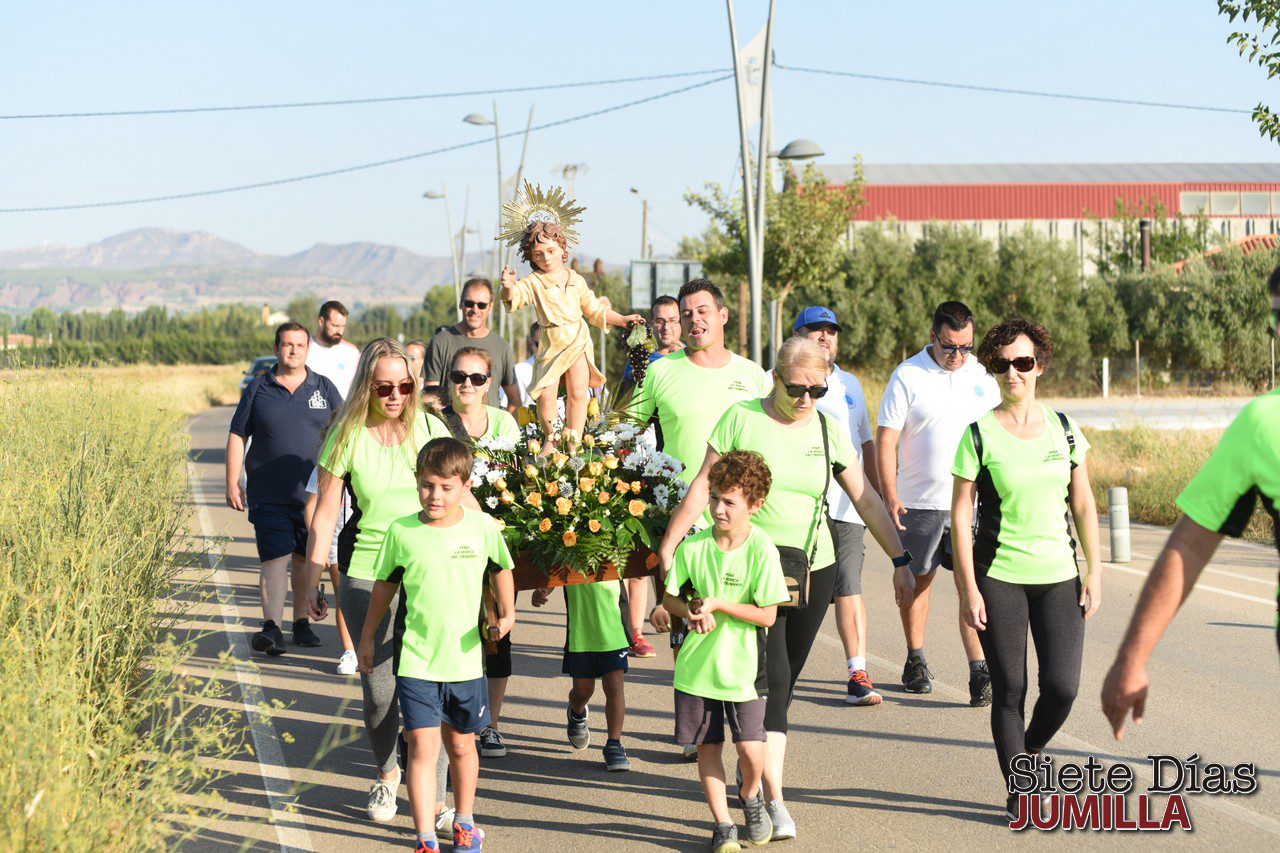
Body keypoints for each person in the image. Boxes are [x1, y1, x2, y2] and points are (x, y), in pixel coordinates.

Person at [660, 336, 911, 841]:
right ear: (775, 378)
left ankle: (753, 769)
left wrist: (900, 559)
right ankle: (772, 798)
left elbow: (864, 500)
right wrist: (671, 541)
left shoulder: (827, 427)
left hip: (812, 569)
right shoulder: (742, 417)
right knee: (770, 681)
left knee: (786, 680)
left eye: (817, 389)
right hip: (752, 569)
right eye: (796, 388)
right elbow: (706, 485)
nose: (805, 399)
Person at [1102, 265, 1280, 739]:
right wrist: (1131, 658)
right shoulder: (1263, 424)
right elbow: (1191, 545)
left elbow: (1191, 546)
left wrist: (1131, 659)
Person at [950, 318, 1102, 820]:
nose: (1013, 373)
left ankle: (1026, 757)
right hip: (1000, 576)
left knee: (1062, 688)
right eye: (1002, 364)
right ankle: (1021, 788)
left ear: (1040, 366)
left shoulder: (1065, 428)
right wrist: (968, 588)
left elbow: (1083, 504)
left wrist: (1094, 569)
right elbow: (960, 514)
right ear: (992, 367)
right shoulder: (978, 435)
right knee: (1010, 689)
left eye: (1023, 362)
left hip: (1059, 575)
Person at [304, 338, 453, 823]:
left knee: (433, 686)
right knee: (381, 692)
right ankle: (387, 774)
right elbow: (326, 513)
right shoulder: (346, 434)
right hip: (367, 574)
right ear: (367, 385)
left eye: (404, 385)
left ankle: (438, 800)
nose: (395, 395)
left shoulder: (430, 427)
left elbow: (460, 499)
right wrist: (311, 580)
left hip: (429, 573)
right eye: (384, 386)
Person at [360, 437, 516, 852]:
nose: (436, 495)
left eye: (447, 487)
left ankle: (465, 823)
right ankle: (425, 837)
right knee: (423, 748)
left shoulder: (482, 528)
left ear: (465, 486)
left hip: (466, 663)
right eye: (428, 485)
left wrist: (509, 612)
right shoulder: (402, 532)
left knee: (462, 745)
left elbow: (502, 568)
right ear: (417, 482)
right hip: (417, 663)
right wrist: (368, 637)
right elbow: (383, 588)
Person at [634, 279, 771, 671]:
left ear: (723, 315)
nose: (695, 321)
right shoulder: (660, 373)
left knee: (739, 625)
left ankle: (740, 710)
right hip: (685, 522)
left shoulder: (754, 377)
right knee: (691, 628)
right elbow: (628, 435)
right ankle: (694, 724)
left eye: (703, 311)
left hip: (745, 523)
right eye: (687, 314)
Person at [663, 451, 789, 853]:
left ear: (755, 505)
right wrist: (690, 610)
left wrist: (718, 604)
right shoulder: (694, 546)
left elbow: (767, 615)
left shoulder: (763, 549)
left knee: (752, 751)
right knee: (709, 747)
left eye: (729, 501)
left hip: (744, 671)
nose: (718, 508)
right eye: (715, 497)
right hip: (697, 670)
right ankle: (722, 825)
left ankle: (750, 797)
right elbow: (670, 598)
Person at [876, 300, 999, 703]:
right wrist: (890, 494)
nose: (958, 356)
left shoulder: (981, 376)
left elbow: (1001, 437)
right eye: (950, 347)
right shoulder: (908, 374)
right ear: (933, 337)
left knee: (972, 585)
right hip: (918, 502)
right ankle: (915, 659)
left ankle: (979, 670)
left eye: (965, 347)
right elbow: (887, 438)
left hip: (972, 505)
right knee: (919, 582)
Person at [226, 322, 341, 655]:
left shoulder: (324, 388)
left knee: (305, 559)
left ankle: (301, 623)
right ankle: (272, 628)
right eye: (287, 345)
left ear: (308, 349)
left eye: (300, 345)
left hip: (315, 495)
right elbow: (237, 434)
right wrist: (233, 480)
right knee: (274, 559)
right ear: (276, 349)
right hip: (268, 492)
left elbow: (345, 432)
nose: (293, 350)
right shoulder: (259, 387)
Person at [433, 347, 521, 760]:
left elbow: (522, 483)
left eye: (477, 377)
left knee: (498, 635)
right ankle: (449, 722)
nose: (467, 384)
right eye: (459, 376)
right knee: (452, 633)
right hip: (449, 545)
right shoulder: (436, 424)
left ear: (490, 382)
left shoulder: (505, 424)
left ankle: (490, 726)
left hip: (497, 544)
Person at [792, 306, 881, 706]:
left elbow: (864, 442)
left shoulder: (851, 385)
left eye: (832, 332)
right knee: (789, 595)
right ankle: (771, 669)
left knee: (849, 587)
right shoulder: (775, 380)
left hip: (844, 508)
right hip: (794, 508)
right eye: (816, 331)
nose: (826, 337)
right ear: (798, 336)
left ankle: (857, 672)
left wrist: (877, 496)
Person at [500, 218, 642, 445]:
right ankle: (551, 440)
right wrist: (507, 288)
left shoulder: (575, 279)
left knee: (579, 393)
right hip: (552, 341)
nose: (546, 258)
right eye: (538, 254)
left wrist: (622, 319)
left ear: (562, 248)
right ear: (531, 257)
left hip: (578, 339)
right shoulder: (534, 281)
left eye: (550, 250)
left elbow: (595, 310)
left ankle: (574, 439)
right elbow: (515, 297)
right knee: (546, 394)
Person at [531, 575, 633, 772]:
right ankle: (577, 713)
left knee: (614, 687)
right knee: (583, 691)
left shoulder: (615, 547)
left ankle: (614, 744)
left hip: (614, 630)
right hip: (581, 632)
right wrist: (542, 590)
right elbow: (556, 570)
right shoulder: (569, 544)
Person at [424, 278, 521, 412]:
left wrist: (507, 429)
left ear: (490, 307)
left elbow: (515, 401)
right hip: (449, 429)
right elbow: (430, 397)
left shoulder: (501, 346)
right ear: (461, 304)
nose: (475, 310)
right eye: (469, 303)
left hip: (490, 431)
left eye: (482, 305)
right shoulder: (440, 342)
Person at [303, 467, 358, 675]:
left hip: (371, 536)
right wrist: (319, 547)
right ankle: (350, 650)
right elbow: (311, 508)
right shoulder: (324, 468)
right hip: (335, 541)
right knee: (344, 596)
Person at [622, 294, 684, 385]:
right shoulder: (640, 359)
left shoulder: (694, 356)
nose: (666, 327)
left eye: (672, 320)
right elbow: (623, 397)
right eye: (659, 321)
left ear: (681, 322)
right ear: (651, 324)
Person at [306, 300, 361, 399]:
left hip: (344, 413)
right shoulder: (304, 349)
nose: (339, 331)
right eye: (335, 326)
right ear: (321, 321)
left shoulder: (351, 352)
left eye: (343, 326)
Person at [506, 322, 540, 408]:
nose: (545, 350)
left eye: (548, 344)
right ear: (531, 343)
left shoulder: (568, 369)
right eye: (539, 344)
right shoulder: (520, 370)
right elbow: (511, 405)